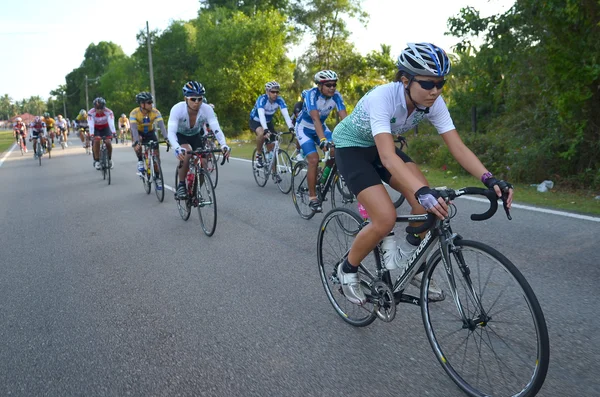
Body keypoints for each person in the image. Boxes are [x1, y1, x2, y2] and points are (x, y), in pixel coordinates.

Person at [332, 42, 514, 305]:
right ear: (405, 80)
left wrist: (490, 178)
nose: (435, 91)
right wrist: (420, 189)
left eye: (441, 83)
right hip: (352, 149)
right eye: (428, 84)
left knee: (429, 208)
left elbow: (458, 147)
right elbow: (386, 156)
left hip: (381, 149)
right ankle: (347, 269)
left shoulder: (434, 103)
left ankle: (410, 265)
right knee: (385, 219)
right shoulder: (382, 98)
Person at [168, 81, 230, 199]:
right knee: (186, 152)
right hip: (180, 135)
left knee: (204, 163)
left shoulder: (206, 109)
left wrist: (224, 144)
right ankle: (181, 185)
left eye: (199, 99)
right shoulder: (177, 109)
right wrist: (177, 147)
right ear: (186, 99)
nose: (197, 102)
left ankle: (196, 191)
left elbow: (216, 128)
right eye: (193, 99)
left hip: (195, 135)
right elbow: (171, 132)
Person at [296, 70, 347, 212]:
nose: (332, 88)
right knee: (313, 159)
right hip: (304, 128)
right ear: (319, 86)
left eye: (334, 85)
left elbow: (345, 118)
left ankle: (322, 177)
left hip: (322, 127)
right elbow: (315, 119)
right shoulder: (311, 95)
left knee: (334, 150)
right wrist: (323, 140)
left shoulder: (336, 96)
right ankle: (312, 198)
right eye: (328, 85)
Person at [249, 81, 295, 168]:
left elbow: (286, 115)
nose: (275, 94)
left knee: (272, 148)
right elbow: (261, 115)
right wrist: (265, 130)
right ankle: (259, 156)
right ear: (267, 92)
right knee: (261, 133)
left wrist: (291, 127)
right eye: (273, 92)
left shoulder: (280, 100)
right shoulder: (262, 99)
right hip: (256, 120)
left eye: (277, 92)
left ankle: (274, 173)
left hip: (268, 122)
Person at [129, 92, 168, 176]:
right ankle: (140, 161)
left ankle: (157, 177)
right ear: (142, 104)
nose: (151, 104)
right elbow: (134, 129)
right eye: (149, 102)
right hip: (138, 132)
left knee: (156, 157)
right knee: (138, 142)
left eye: (152, 102)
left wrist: (166, 138)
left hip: (150, 132)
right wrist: (136, 142)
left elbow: (162, 126)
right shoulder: (134, 113)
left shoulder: (155, 112)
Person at [88, 97, 116, 170]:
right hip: (96, 128)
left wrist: (114, 132)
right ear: (94, 108)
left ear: (104, 107)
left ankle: (109, 159)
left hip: (106, 128)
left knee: (108, 142)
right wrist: (91, 135)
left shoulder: (109, 112)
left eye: (101, 108)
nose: (100, 110)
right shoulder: (91, 113)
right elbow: (91, 125)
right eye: (98, 108)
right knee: (96, 141)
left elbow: (111, 123)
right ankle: (97, 160)